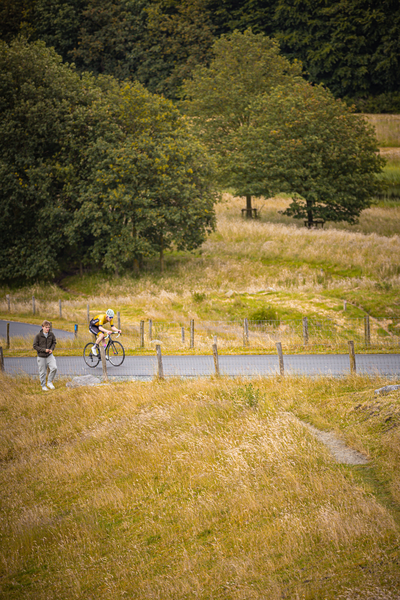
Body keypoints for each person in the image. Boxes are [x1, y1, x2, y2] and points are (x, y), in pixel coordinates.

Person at [33, 320, 58, 391]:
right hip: (41, 356)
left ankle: (49, 382)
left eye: (48, 327)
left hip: (49, 355)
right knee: (42, 372)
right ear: (42, 327)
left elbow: (54, 342)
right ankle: (43, 386)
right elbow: (35, 346)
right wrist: (44, 350)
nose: (48, 329)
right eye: (46, 327)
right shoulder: (38, 336)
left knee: (54, 368)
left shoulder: (51, 334)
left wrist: (51, 349)